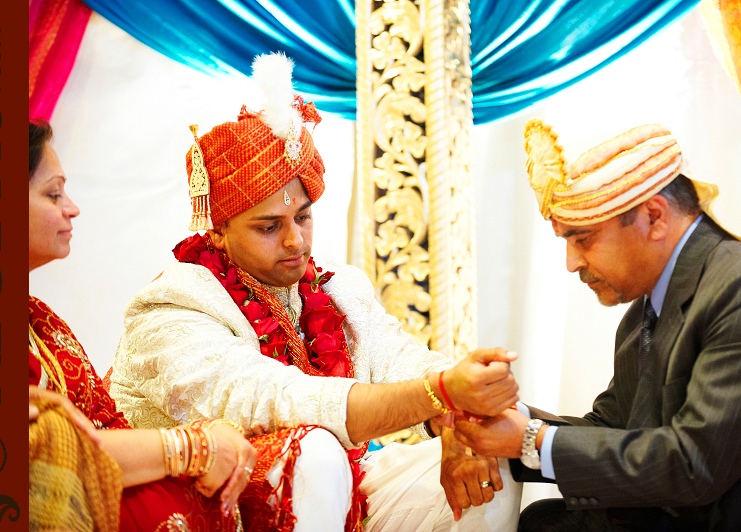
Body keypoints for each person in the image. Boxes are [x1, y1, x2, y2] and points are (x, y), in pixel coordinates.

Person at [108, 53, 523, 532]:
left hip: (340, 490)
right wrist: (442, 393)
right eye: (268, 226)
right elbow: (279, 402)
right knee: (313, 451)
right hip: (211, 508)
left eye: (302, 217)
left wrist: (457, 416)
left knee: (498, 441)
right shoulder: (171, 306)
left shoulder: (337, 289)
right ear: (218, 230)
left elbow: (403, 361)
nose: (295, 241)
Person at [455, 121, 741, 531]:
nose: (572, 263)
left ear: (654, 217)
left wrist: (531, 440)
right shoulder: (648, 303)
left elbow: (693, 465)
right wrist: (506, 420)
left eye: (583, 239)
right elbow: (612, 428)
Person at [28, 119, 257, 531]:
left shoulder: (40, 320)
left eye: (303, 217)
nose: (72, 208)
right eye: (53, 193)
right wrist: (192, 445)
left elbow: (104, 425)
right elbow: (41, 453)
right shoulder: (175, 295)